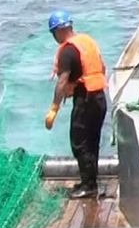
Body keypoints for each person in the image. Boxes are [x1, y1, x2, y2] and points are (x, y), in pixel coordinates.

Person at [43, 10, 108, 199]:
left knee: (79, 142)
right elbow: (102, 67)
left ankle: (89, 186)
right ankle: (90, 182)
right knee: (92, 141)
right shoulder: (87, 42)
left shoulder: (68, 50)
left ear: (58, 31)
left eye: (53, 33)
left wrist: (54, 109)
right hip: (99, 97)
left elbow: (62, 82)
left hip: (86, 99)